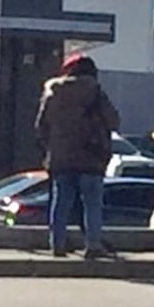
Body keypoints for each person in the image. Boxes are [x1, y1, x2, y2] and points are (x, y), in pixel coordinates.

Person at [35, 54, 120, 258]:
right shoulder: (95, 91)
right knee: (92, 203)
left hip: (61, 158)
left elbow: (40, 126)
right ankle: (92, 245)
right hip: (91, 157)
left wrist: (53, 146)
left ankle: (57, 244)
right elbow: (113, 121)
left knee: (61, 202)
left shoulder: (52, 91)